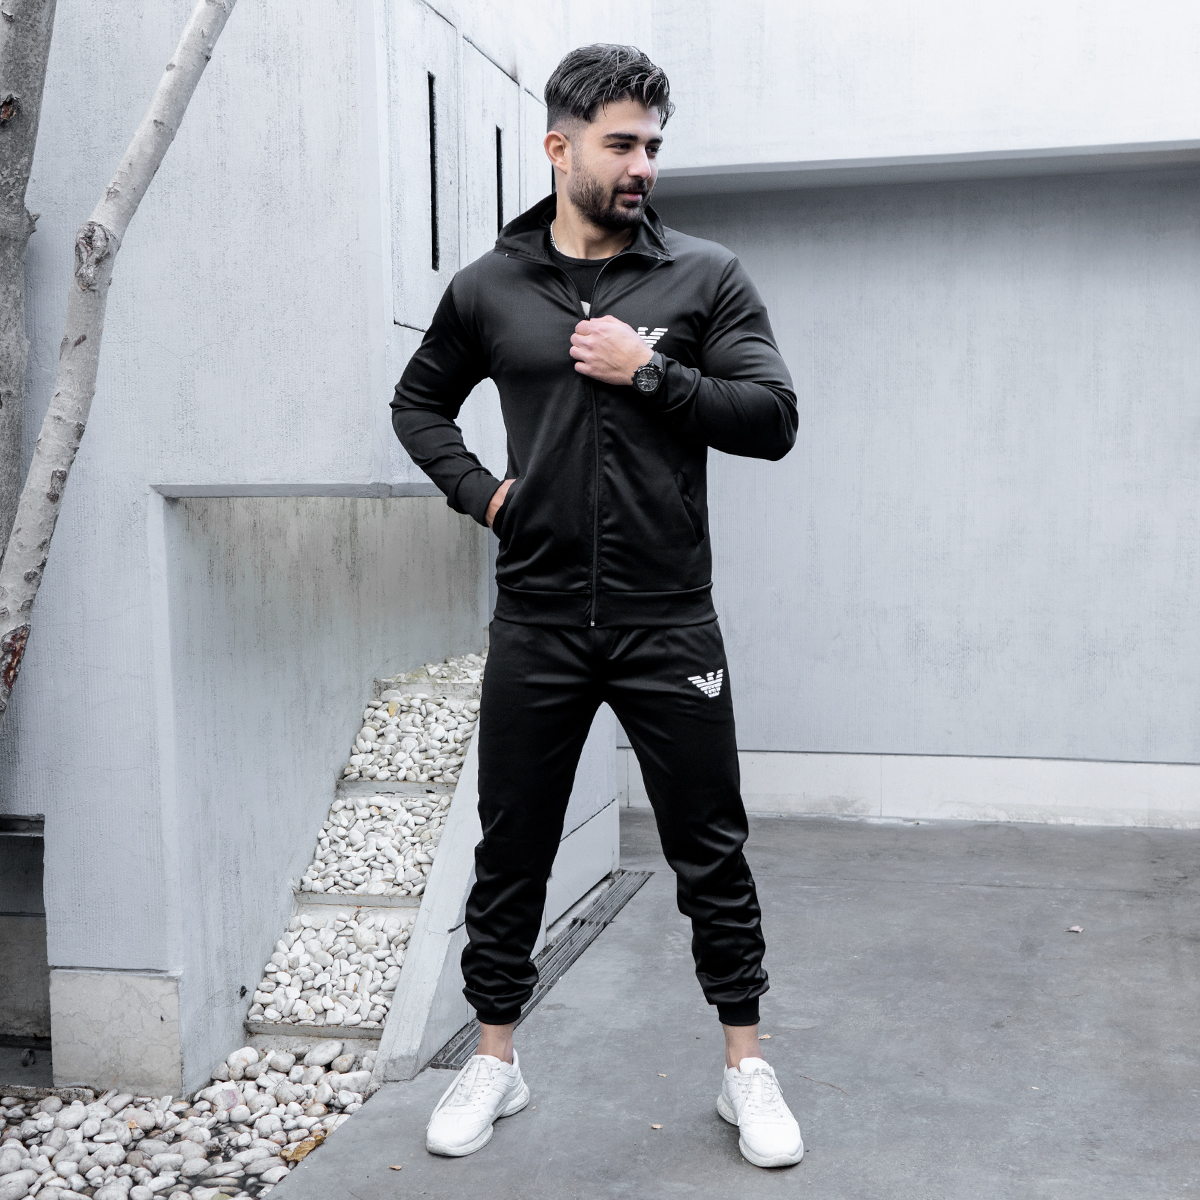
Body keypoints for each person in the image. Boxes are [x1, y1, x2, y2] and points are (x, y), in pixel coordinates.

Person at [391, 43, 803, 1169]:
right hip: (538, 618)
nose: (643, 167)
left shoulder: (706, 277)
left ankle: (746, 1069)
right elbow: (419, 405)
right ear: (558, 146)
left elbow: (772, 418)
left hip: (668, 618)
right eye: (622, 144)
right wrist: (484, 495)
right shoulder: (488, 288)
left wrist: (649, 371)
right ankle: (495, 1059)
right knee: (512, 847)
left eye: (653, 146)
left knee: (710, 848)